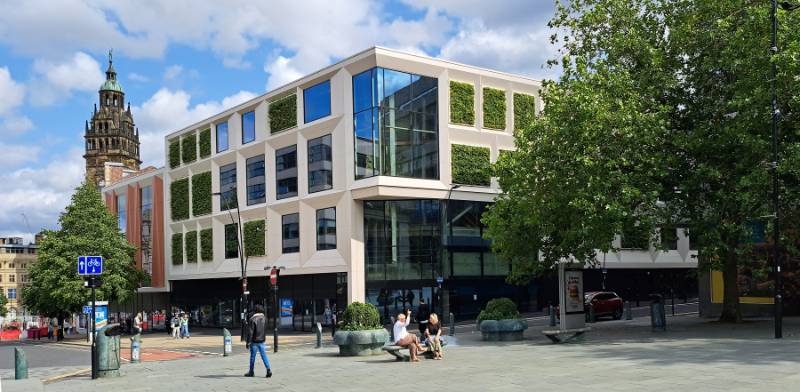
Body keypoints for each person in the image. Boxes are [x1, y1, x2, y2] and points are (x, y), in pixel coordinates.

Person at [244, 305, 272, 378]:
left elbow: (250, 332)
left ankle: (251, 371)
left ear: (255, 311)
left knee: (252, 357)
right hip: (262, 340)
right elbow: (265, 329)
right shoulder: (265, 318)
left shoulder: (252, 319)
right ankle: (268, 369)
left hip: (254, 341)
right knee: (264, 355)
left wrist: (248, 342)